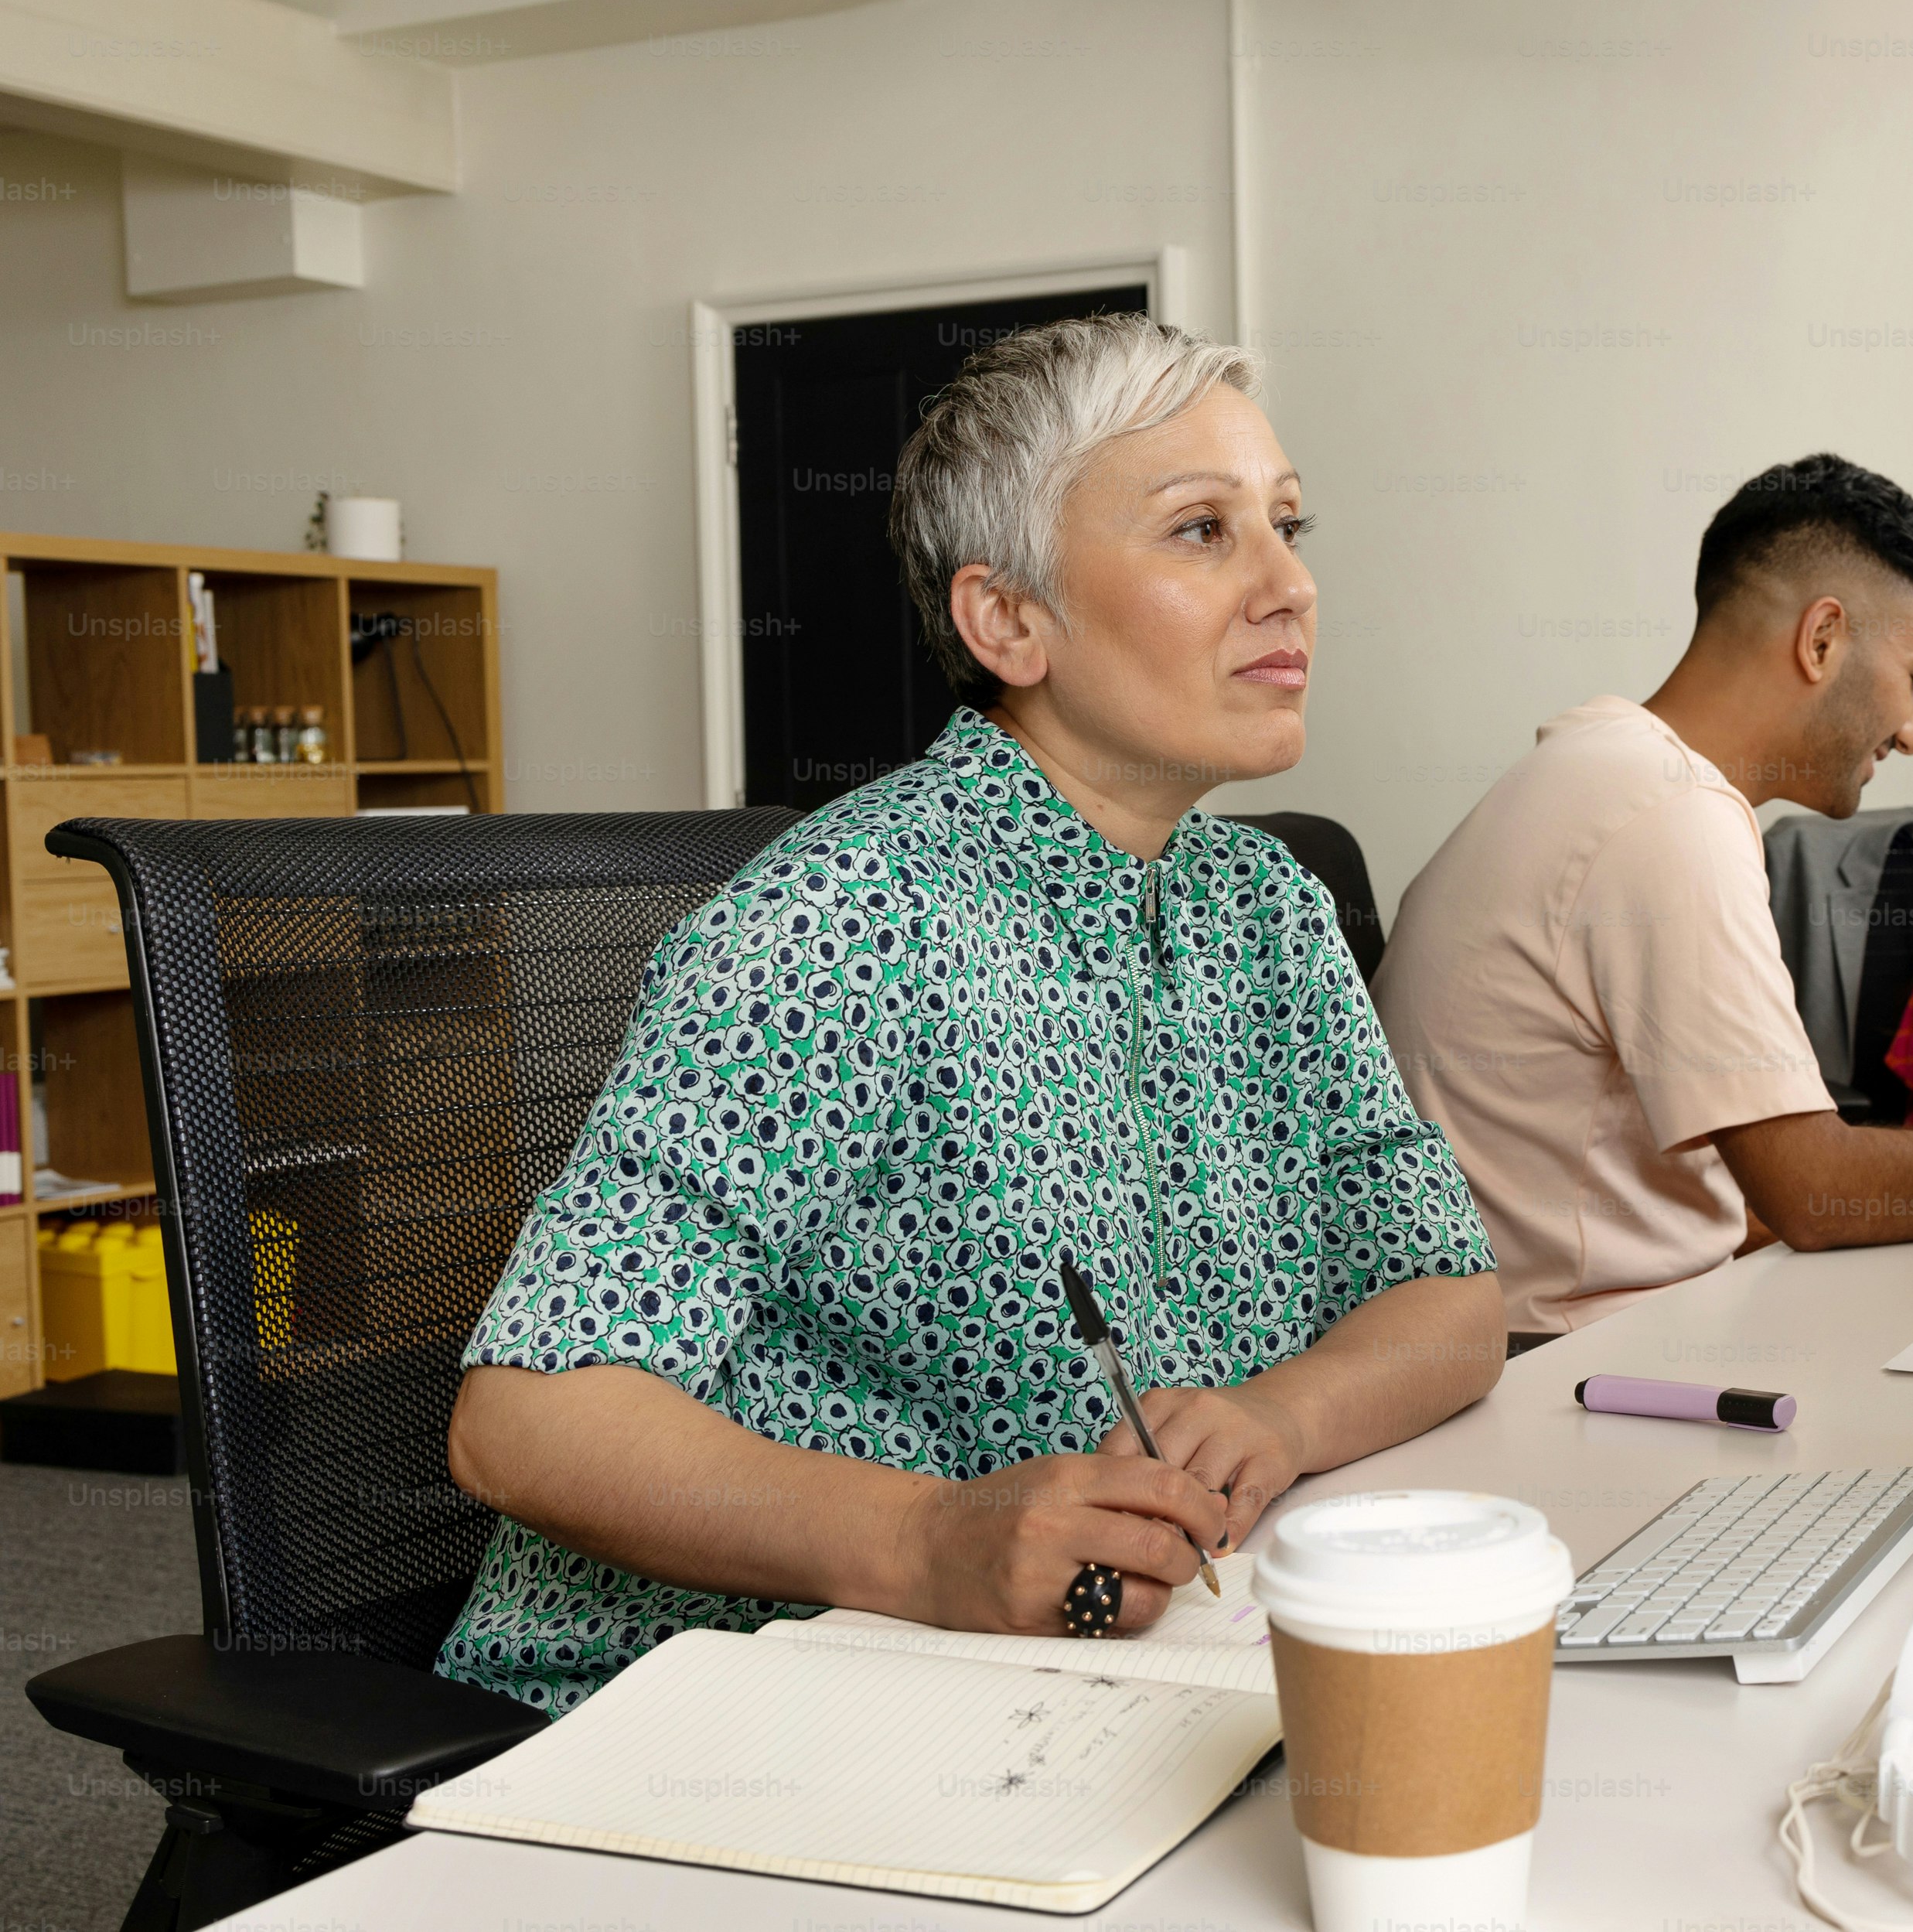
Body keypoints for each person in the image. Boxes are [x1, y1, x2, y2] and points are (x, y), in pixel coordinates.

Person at [438, 316, 1503, 1712]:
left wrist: (1281, 1415)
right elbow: (526, 1422)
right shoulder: (842, 920)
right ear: (1008, 621)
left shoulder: (1269, 906)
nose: (1290, 585)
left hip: (1119, 1663)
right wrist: (924, 1540)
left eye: (1288, 527)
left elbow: (1453, 1300)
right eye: (1201, 532)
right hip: (760, 1693)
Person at [1374, 454, 1913, 1342]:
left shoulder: (1608, 769)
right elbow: (1810, 1189)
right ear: (1822, 639)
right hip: (1563, 1364)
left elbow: (1754, 1189)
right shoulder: (1668, 814)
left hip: (1558, 1333)